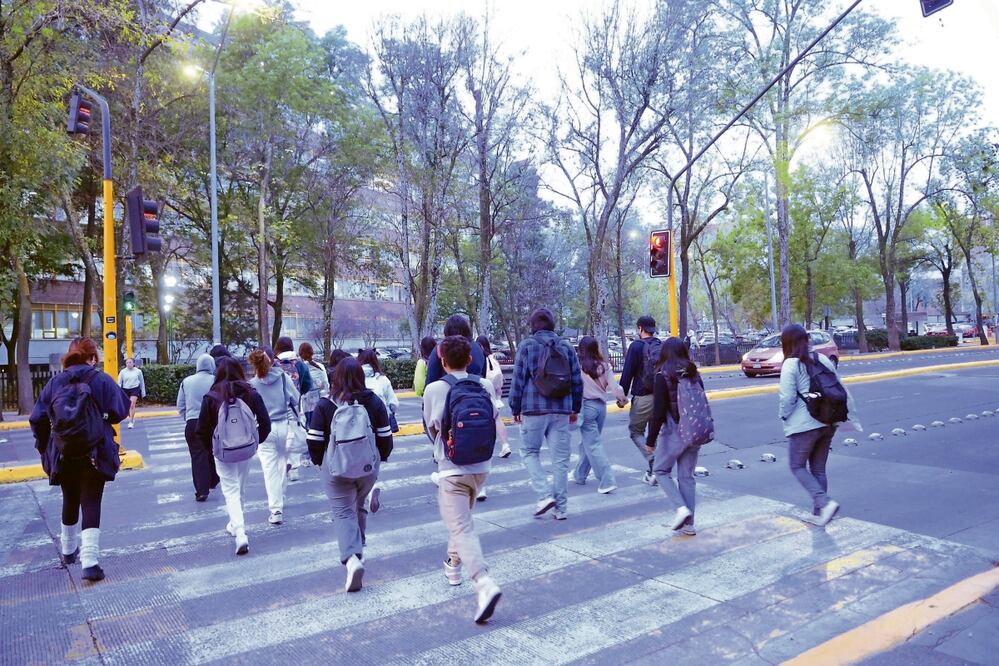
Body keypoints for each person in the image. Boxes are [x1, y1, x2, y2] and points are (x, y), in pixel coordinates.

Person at [30, 337, 128, 581]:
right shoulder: (100, 379)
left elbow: (37, 418)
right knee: (91, 500)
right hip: (95, 451)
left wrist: (45, 446)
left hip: (64, 452)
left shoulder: (55, 382)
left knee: (69, 496)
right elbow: (120, 411)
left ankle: (67, 551)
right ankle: (90, 562)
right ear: (92, 358)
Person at [423, 335, 502, 623]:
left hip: (452, 468)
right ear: (470, 360)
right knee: (462, 521)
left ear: (442, 361)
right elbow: (494, 415)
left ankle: (483, 582)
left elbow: (432, 429)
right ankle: (452, 566)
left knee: (461, 526)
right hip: (482, 467)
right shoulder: (483, 385)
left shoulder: (434, 389)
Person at [306, 357, 393, 592]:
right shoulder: (373, 401)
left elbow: (314, 441)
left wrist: (318, 463)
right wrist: (381, 458)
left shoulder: (325, 405)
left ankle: (352, 558)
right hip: (367, 468)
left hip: (336, 469)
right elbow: (385, 437)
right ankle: (359, 547)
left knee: (344, 512)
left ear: (336, 377)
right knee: (358, 505)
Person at [508, 307, 583, 520]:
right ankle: (561, 509)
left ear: (533, 325)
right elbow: (577, 380)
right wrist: (575, 408)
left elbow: (518, 379)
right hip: (561, 409)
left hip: (534, 409)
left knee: (529, 452)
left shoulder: (527, 346)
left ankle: (544, 494)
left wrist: (515, 407)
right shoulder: (566, 347)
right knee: (560, 460)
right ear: (553, 325)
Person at [195, 357, 271, 555]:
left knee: (230, 490)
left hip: (223, 452)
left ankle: (239, 531)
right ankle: (236, 523)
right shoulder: (250, 393)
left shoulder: (211, 397)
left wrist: (212, 449)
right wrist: (256, 442)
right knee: (240, 487)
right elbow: (265, 422)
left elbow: (200, 429)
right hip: (246, 449)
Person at [778, 324, 849, 526]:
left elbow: (787, 399)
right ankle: (819, 515)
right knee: (818, 469)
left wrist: (784, 417)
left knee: (797, 465)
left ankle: (825, 504)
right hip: (828, 421)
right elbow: (838, 386)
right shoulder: (823, 359)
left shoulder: (791, 365)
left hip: (804, 424)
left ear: (787, 342)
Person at [645, 337, 704, 536]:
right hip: (695, 429)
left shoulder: (663, 375)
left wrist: (650, 440)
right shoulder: (693, 373)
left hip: (675, 429)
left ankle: (680, 508)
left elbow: (659, 411)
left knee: (661, 471)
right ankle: (690, 525)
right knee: (687, 476)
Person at [247, 347, 299, 525]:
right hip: (284, 426)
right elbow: (296, 398)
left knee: (270, 471)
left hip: (264, 429)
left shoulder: (252, 384)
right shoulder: (284, 378)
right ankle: (280, 497)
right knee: (281, 465)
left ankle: (276, 510)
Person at [572, 336, 626, 493]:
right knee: (589, 443)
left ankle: (607, 480)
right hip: (601, 408)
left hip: (586, 407)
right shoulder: (605, 366)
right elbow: (615, 388)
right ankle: (580, 474)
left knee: (592, 444)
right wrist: (621, 400)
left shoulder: (578, 367)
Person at [619, 315, 661, 485]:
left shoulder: (635, 346)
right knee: (653, 434)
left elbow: (627, 373)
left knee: (635, 431)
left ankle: (653, 460)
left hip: (643, 396)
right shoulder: (660, 344)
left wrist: (622, 397)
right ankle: (653, 474)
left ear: (640, 328)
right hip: (660, 397)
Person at [177, 354, 219, 501]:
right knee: (213, 451)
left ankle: (201, 490)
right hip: (212, 423)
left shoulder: (186, 381)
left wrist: (188, 418)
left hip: (193, 422)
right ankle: (213, 479)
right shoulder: (215, 381)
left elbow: (180, 405)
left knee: (197, 455)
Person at [476, 335, 512, 461]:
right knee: (497, 419)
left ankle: (481, 447)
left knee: (480, 420)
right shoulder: (494, 358)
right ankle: (505, 445)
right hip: (494, 393)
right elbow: (499, 378)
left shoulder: (480, 358)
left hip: (483, 391)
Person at [425, 314, 486, 385]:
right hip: (475, 392)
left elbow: (431, 378)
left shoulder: (440, 349)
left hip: (448, 392)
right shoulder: (479, 348)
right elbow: (483, 374)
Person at [357, 349, 399, 428]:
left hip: (359, 426)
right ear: (375, 361)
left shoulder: (353, 379)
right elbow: (393, 403)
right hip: (381, 422)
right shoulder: (382, 379)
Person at [117, 357, 146, 429]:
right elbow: (119, 382)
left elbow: (142, 382)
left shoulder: (138, 371)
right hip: (125, 389)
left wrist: (143, 392)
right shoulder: (122, 372)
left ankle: (130, 422)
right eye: (127, 363)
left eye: (130, 362)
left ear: (133, 363)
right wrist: (118, 392)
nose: (128, 364)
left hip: (135, 389)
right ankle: (132, 417)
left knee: (132, 405)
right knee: (126, 407)